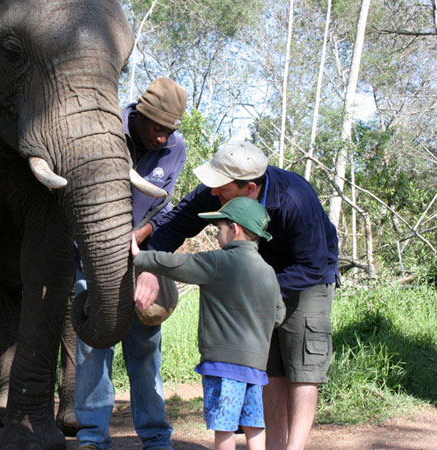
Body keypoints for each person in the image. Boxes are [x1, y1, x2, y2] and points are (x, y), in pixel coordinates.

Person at [137, 141, 339, 450]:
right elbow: (176, 224)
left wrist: (257, 286)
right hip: (256, 275)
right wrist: (150, 268)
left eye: (222, 188)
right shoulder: (218, 187)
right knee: (269, 368)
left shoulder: (295, 199)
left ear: (251, 189)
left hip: (306, 278)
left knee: (301, 366)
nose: (214, 192)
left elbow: (312, 264)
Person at [75, 77, 188, 450]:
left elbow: (164, 208)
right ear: (138, 116)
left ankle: (156, 438)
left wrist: (143, 250)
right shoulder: (107, 129)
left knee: (145, 347)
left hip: (142, 256)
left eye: (169, 130)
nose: (162, 138)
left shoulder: (174, 147)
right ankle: (92, 438)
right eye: (157, 128)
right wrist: (104, 251)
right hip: (93, 255)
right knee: (94, 347)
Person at [131, 196, 285, 450]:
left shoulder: (217, 261)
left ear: (234, 229)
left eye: (219, 229)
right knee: (254, 424)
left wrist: (141, 257)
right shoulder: (268, 270)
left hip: (222, 366)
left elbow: (177, 264)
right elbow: (278, 315)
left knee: (223, 425)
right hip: (256, 369)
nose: (217, 236)